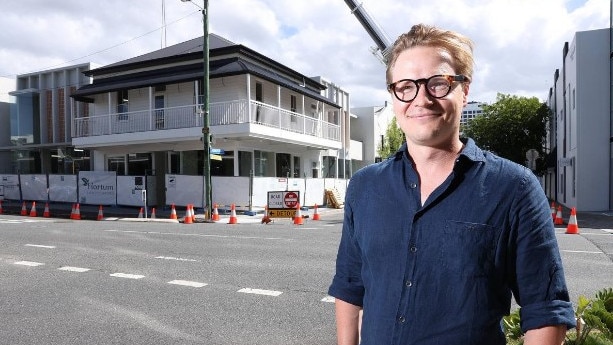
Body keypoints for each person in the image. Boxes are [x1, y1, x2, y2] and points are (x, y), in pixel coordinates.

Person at [328, 24, 575, 345]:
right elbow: (350, 285)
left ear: (464, 89)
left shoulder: (514, 188)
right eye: (405, 86)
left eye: (438, 83)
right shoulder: (364, 186)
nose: (421, 98)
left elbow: (545, 310)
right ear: (393, 95)